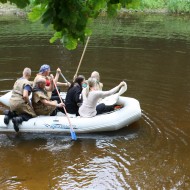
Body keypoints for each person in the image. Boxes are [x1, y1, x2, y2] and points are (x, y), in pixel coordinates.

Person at [4, 68, 36, 132]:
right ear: (29, 75)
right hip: (19, 103)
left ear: (23, 73)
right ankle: (18, 120)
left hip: (12, 102)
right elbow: (25, 95)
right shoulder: (27, 83)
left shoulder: (17, 81)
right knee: (32, 114)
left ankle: (9, 115)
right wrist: (30, 104)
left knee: (19, 111)